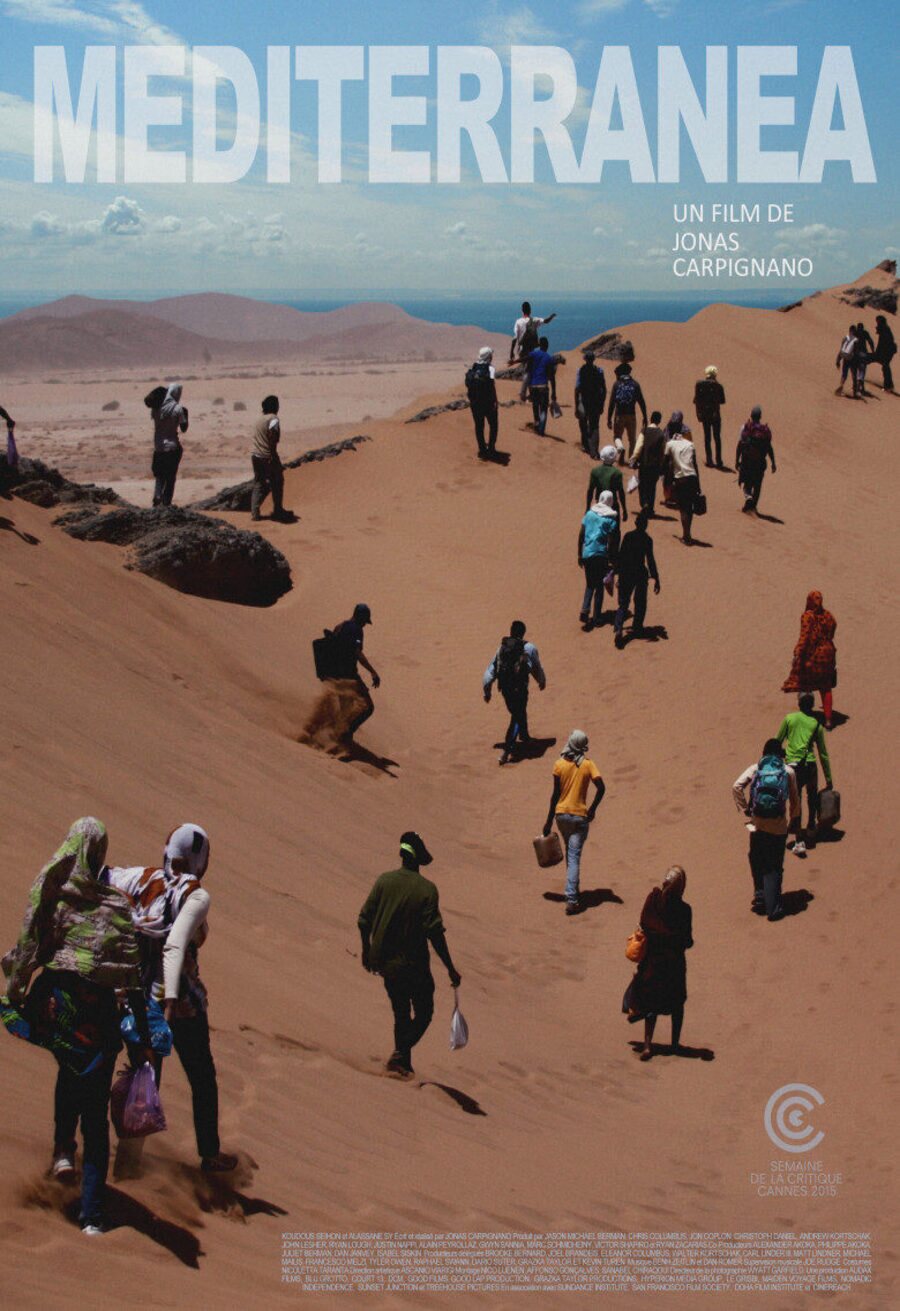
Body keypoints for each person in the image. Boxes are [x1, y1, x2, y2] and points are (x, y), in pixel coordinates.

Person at [1, 818, 151, 1234]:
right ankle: (91, 1215)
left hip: (56, 1008)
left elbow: (32, 945)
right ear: (99, 853)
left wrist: (15, 991)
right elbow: (132, 978)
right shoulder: (118, 905)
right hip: (98, 1021)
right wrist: (141, 1036)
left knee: (68, 1073)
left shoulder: (55, 895)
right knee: (95, 1110)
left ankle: (63, 1151)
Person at [104, 824, 237, 1172]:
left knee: (145, 1078)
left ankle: (128, 1163)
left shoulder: (140, 879)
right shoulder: (193, 895)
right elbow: (178, 946)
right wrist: (169, 1000)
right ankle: (209, 1154)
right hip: (180, 1003)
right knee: (201, 1077)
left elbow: (100, 875)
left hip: (136, 997)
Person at [358, 833, 461, 1077]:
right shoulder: (427, 890)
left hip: (386, 963)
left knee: (401, 1012)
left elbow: (364, 920)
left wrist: (366, 951)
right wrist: (450, 967)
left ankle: (402, 1062)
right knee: (424, 1012)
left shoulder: (384, 881)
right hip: (414, 965)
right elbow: (434, 932)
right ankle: (401, 1054)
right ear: (419, 859)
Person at [623, 866, 693, 1059]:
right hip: (674, 964)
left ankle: (647, 1045)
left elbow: (645, 923)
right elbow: (686, 939)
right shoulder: (684, 910)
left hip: (653, 961)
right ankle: (675, 1044)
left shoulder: (653, 899)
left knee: (651, 1004)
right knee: (677, 1004)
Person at [732, 740, 799, 921]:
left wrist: (746, 808)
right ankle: (774, 908)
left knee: (756, 857)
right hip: (778, 826)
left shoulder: (755, 769)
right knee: (774, 866)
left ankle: (760, 894)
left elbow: (737, 786)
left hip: (758, 823)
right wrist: (794, 819)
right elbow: (794, 799)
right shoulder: (788, 771)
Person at [542, 731, 605, 915]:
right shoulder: (588, 764)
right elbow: (601, 788)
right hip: (579, 817)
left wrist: (548, 821)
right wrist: (592, 809)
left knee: (571, 854)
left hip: (561, 816)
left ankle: (573, 891)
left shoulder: (559, 764)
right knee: (574, 856)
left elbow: (555, 795)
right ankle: (571, 898)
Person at [777, 694, 834, 857]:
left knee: (797, 800)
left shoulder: (789, 719)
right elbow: (823, 754)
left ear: (799, 703)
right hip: (811, 765)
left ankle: (799, 838)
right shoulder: (816, 724)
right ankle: (811, 828)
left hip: (794, 767)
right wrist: (829, 778)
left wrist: (785, 754)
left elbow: (776, 741)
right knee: (812, 796)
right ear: (813, 705)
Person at [483, 620, 546, 765]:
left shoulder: (502, 648)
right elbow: (536, 667)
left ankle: (524, 736)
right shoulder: (529, 647)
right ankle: (507, 751)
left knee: (518, 711)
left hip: (505, 690)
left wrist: (487, 691)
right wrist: (541, 681)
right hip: (520, 688)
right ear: (523, 633)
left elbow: (490, 671)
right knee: (517, 716)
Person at [781, 590, 838, 730]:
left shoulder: (808, 616)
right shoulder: (828, 615)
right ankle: (829, 720)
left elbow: (804, 636)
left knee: (804, 682)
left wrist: (797, 652)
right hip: (828, 653)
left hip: (813, 654)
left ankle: (805, 716)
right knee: (825, 687)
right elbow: (834, 626)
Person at [329, 603, 381, 742]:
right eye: (365, 621)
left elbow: (329, 647)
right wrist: (373, 672)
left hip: (335, 674)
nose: (365, 625)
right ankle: (345, 735)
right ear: (361, 617)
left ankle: (334, 737)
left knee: (345, 709)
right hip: (349, 675)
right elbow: (357, 652)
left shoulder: (339, 626)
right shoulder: (357, 630)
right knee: (368, 707)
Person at [613, 510, 661, 647]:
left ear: (636, 523)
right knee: (640, 602)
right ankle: (637, 627)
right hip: (639, 573)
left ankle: (618, 628)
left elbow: (621, 555)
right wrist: (656, 578)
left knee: (623, 603)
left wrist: (618, 573)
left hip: (626, 572)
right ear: (645, 525)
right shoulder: (647, 539)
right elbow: (650, 560)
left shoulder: (628, 536)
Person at [578, 491, 620, 629]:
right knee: (599, 587)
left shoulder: (589, 514)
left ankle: (585, 609)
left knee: (590, 583)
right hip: (601, 555)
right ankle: (597, 617)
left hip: (587, 554)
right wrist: (612, 559)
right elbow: (611, 540)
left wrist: (579, 554)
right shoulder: (610, 520)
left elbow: (581, 535)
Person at [250, 394, 289, 522]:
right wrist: (272, 455)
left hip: (255, 456)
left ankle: (255, 513)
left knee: (259, 483)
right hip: (268, 455)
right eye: (277, 404)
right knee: (277, 481)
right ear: (274, 406)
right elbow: (273, 436)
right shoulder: (273, 419)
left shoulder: (259, 419)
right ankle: (278, 510)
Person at [663, 415, 701, 544]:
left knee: (683, 508)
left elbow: (666, 463)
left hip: (680, 479)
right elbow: (695, 465)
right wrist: (699, 485)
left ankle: (686, 535)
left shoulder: (670, 444)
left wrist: (666, 481)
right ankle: (688, 532)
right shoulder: (690, 444)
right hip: (692, 478)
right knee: (689, 508)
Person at [150, 383, 188, 507]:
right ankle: (167, 502)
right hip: (172, 447)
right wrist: (185, 415)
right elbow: (184, 428)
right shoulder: (178, 409)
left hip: (158, 447)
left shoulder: (156, 408)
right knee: (171, 476)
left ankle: (157, 495)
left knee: (160, 475)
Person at [510, 301, 557, 400]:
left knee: (527, 370)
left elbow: (515, 338)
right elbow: (546, 321)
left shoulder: (518, 322)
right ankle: (527, 394)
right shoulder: (534, 320)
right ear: (530, 310)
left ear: (522, 310)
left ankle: (525, 394)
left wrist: (511, 352)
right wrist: (552, 316)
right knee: (529, 370)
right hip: (532, 348)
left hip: (522, 349)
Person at [735, 406, 777, 513]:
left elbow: (740, 445)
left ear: (751, 416)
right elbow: (769, 447)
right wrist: (773, 462)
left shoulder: (747, 428)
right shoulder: (765, 431)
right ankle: (752, 506)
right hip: (760, 463)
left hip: (747, 462)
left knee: (747, 484)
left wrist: (737, 460)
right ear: (760, 416)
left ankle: (748, 498)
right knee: (757, 486)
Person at [606, 362, 648, 464]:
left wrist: (609, 419)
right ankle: (631, 461)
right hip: (631, 415)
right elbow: (641, 402)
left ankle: (620, 448)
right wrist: (645, 416)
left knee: (617, 436)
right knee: (632, 439)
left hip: (619, 415)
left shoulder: (617, 384)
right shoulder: (635, 384)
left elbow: (612, 403)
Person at [630, 410, 666, 517]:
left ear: (651, 419)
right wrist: (661, 464)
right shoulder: (661, 434)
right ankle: (650, 508)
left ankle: (644, 503)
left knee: (643, 485)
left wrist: (634, 458)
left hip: (644, 464)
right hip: (655, 466)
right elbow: (663, 452)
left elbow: (639, 446)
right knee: (652, 486)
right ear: (659, 421)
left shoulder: (644, 431)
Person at [466, 346, 499, 460]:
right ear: (489, 356)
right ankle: (491, 448)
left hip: (475, 403)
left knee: (479, 426)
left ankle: (482, 449)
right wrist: (495, 401)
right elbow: (491, 386)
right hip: (488, 403)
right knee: (493, 425)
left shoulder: (473, 368)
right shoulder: (490, 369)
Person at [574, 350, 607, 459]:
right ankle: (594, 452)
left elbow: (577, 389)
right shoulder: (599, 371)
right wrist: (602, 404)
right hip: (596, 403)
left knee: (583, 424)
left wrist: (576, 405)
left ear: (585, 359)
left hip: (583, 401)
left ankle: (586, 446)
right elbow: (604, 389)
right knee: (595, 426)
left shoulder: (581, 370)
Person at [693, 364, 726, 468]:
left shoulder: (699, 385)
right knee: (717, 438)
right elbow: (722, 401)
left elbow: (696, 400)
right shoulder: (719, 386)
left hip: (705, 415)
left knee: (707, 437)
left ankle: (709, 459)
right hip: (715, 415)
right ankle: (719, 460)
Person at [586, 444, 628, 522]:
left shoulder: (595, 471)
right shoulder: (617, 473)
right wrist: (624, 509)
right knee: (615, 530)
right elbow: (621, 492)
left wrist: (587, 507)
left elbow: (590, 490)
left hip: (599, 504)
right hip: (613, 505)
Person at [525, 336, 557, 436]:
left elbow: (526, 365)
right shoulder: (549, 358)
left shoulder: (533, 354)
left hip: (533, 386)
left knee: (535, 405)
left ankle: (537, 422)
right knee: (543, 409)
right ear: (547, 346)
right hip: (543, 386)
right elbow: (552, 377)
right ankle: (541, 429)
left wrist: (514, 361)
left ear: (539, 345)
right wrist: (554, 392)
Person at [873, 314, 896, 392]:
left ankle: (888, 386)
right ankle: (889, 385)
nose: (876, 324)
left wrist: (878, 352)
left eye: (877, 322)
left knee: (885, 367)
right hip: (888, 351)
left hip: (888, 351)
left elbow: (883, 343)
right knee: (885, 367)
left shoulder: (884, 330)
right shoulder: (885, 329)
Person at [834, 325, 859, 397]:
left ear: (850, 330)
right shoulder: (856, 340)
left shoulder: (845, 338)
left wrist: (838, 360)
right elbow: (856, 352)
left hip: (845, 358)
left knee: (844, 374)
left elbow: (841, 350)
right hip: (852, 359)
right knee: (854, 374)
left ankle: (841, 386)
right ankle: (855, 391)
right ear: (854, 331)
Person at [854, 321, 875, 396]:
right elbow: (870, 341)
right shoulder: (865, 333)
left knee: (857, 369)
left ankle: (858, 387)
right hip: (863, 354)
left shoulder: (855, 333)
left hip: (856, 354)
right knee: (862, 370)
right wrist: (873, 351)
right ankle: (860, 387)